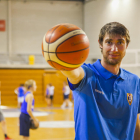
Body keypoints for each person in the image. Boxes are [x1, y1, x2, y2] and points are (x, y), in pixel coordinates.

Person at [59, 22, 140, 140]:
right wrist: (60, 56)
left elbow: (136, 123)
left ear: (126, 45)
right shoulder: (87, 74)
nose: (114, 48)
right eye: (109, 42)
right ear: (100, 43)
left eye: (120, 42)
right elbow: (73, 73)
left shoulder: (135, 82)